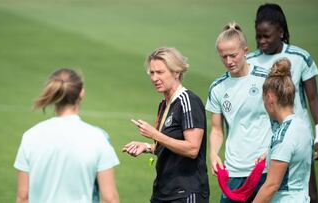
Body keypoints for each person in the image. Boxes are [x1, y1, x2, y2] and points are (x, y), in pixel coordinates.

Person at [247, 3, 318, 202]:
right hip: (264, 142)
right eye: (258, 36)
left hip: (296, 137)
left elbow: (313, 98)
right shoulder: (249, 61)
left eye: (267, 36)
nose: (261, 41)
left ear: (280, 32)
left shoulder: (300, 57)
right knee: (267, 191)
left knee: (308, 193)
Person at [14, 68, 120, 203]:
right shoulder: (98, 137)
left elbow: (23, 196)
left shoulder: (30, 136)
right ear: (81, 93)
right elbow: (110, 199)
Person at [122, 47, 210, 203]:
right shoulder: (164, 104)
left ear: (176, 72)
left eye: (160, 72)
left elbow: (192, 149)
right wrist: (147, 147)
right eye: (152, 73)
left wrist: (155, 135)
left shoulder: (188, 101)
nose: (154, 78)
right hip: (163, 192)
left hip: (185, 193)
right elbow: (170, 145)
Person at [206, 22, 272, 203]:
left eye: (233, 55)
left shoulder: (266, 79)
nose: (229, 61)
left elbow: (282, 121)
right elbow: (217, 130)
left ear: (245, 50)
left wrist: (272, 149)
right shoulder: (218, 88)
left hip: (266, 168)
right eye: (223, 57)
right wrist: (213, 154)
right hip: (234, 171)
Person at [253, 58, 312, 203]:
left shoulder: (283, 134)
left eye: (264, 98)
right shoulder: (302, 125)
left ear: (270, 97)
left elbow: (271, 185)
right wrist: (271, 153)